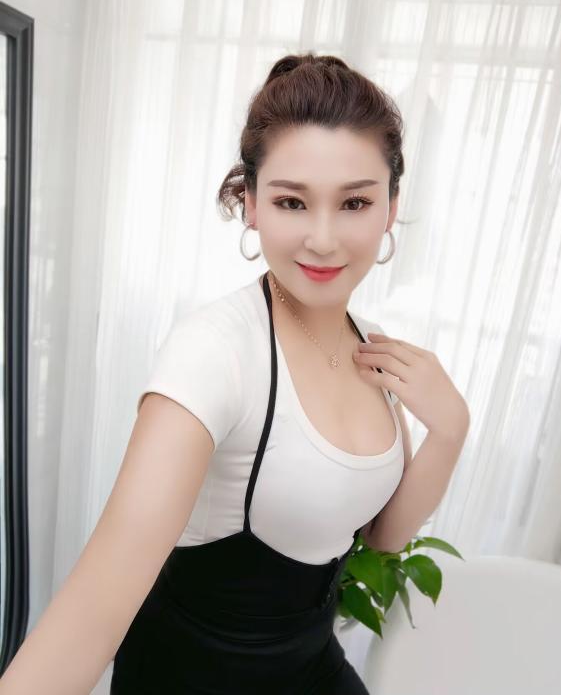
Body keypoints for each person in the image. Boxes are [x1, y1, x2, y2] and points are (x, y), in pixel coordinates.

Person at [0, 52, 413, 694]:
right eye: (291, 201)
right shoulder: (214, 353)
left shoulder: (371, 344)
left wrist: (451, 427)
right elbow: (95, 605)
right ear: (250, 204)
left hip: (308, 662)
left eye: (355, 202)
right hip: (195, 673)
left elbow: (383, 540)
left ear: (390, 207)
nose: (323, 238)